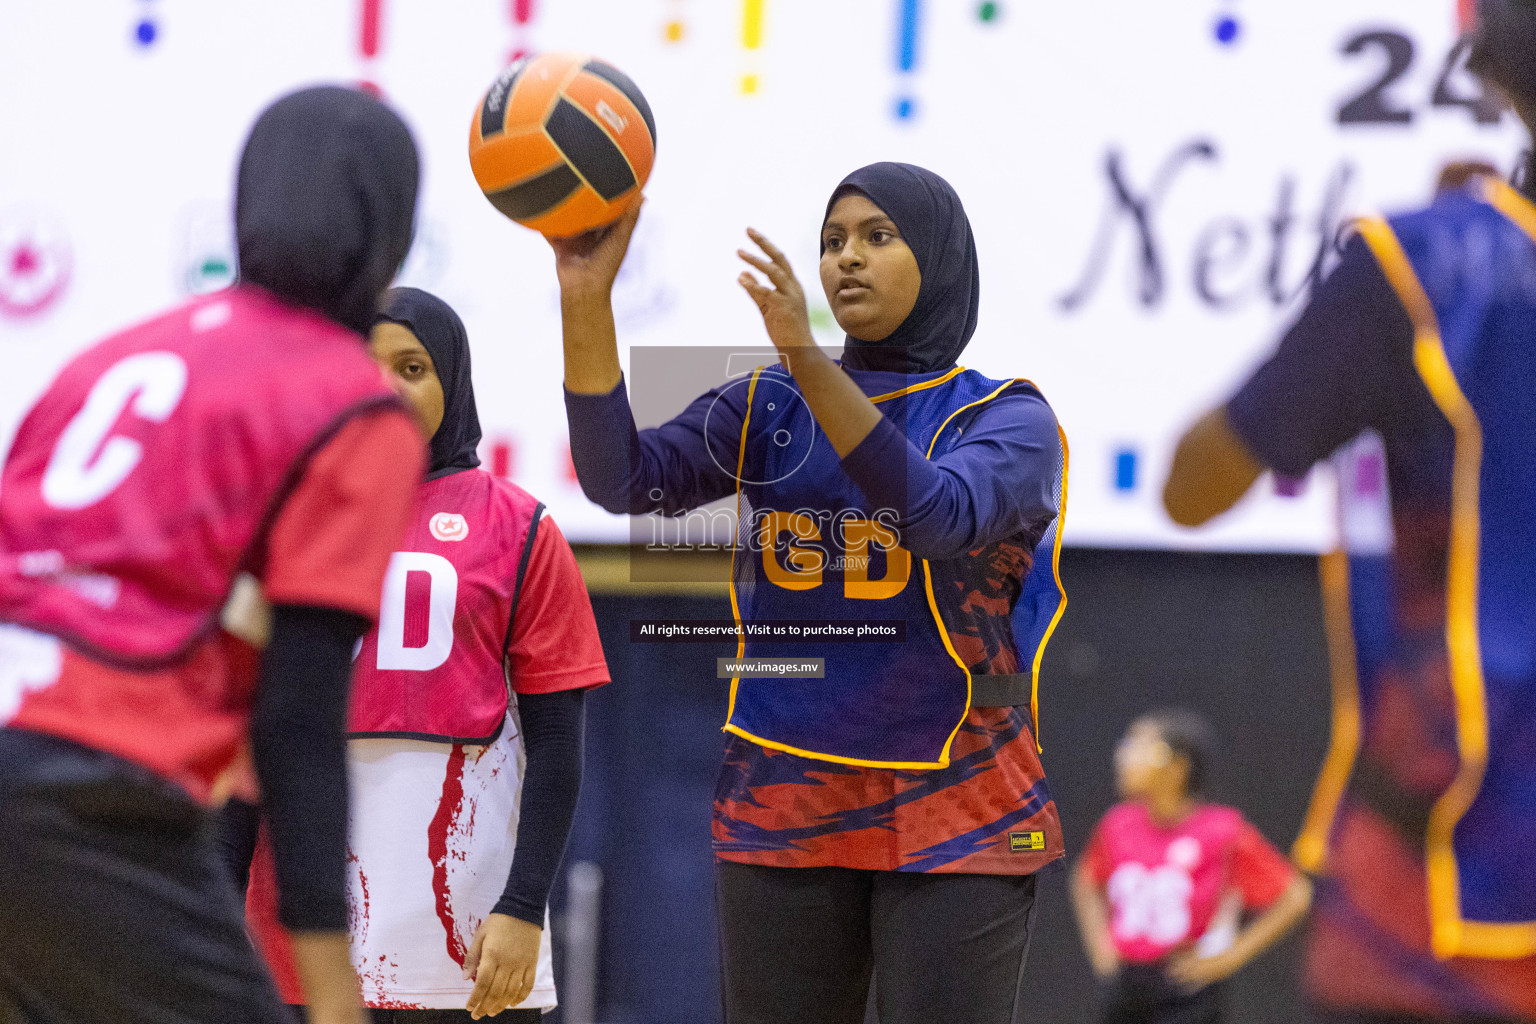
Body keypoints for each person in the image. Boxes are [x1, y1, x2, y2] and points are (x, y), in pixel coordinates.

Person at [557, 163, 1068, 1024]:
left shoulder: (1009, 418)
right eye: (833, 241)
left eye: (878, 236)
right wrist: (583, 299)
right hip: (784, 793)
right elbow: (623, 480)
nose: (846, 260)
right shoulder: (768, 400)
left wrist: (805, 357)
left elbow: (934, 517)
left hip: (961, 805)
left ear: (940, 257)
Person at [0, 86, 425, 1024]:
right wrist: (330, 994)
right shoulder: (352, 407)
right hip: (86, 786)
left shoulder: (102, 361)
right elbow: (299, 722)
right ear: (389, 234)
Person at [1163, 3, 1536, 1019]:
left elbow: (1192, 487)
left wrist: (1363, 337)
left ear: (1489, 75)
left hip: (1452, 868)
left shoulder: (1422, 270)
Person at [225, 288, 610, 1023]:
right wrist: (215, 905)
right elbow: (248, 740)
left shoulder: (521, 527)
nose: (386, 388)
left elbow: (558, 746)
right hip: (299, 942)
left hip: (468, 940)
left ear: (452, 383)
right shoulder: (285, 521)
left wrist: (525, 907)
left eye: (412, 367)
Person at [1070, 711, 1313, 1024]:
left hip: (1186, 990)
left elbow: (1295, 896)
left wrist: (1231, 957)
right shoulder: (1117, 824)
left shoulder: (1222, 831)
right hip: (1126, 987)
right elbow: (1085, 880)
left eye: (1140, 747)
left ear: (1178, 768)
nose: (1125, 756)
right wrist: (1102, 947)